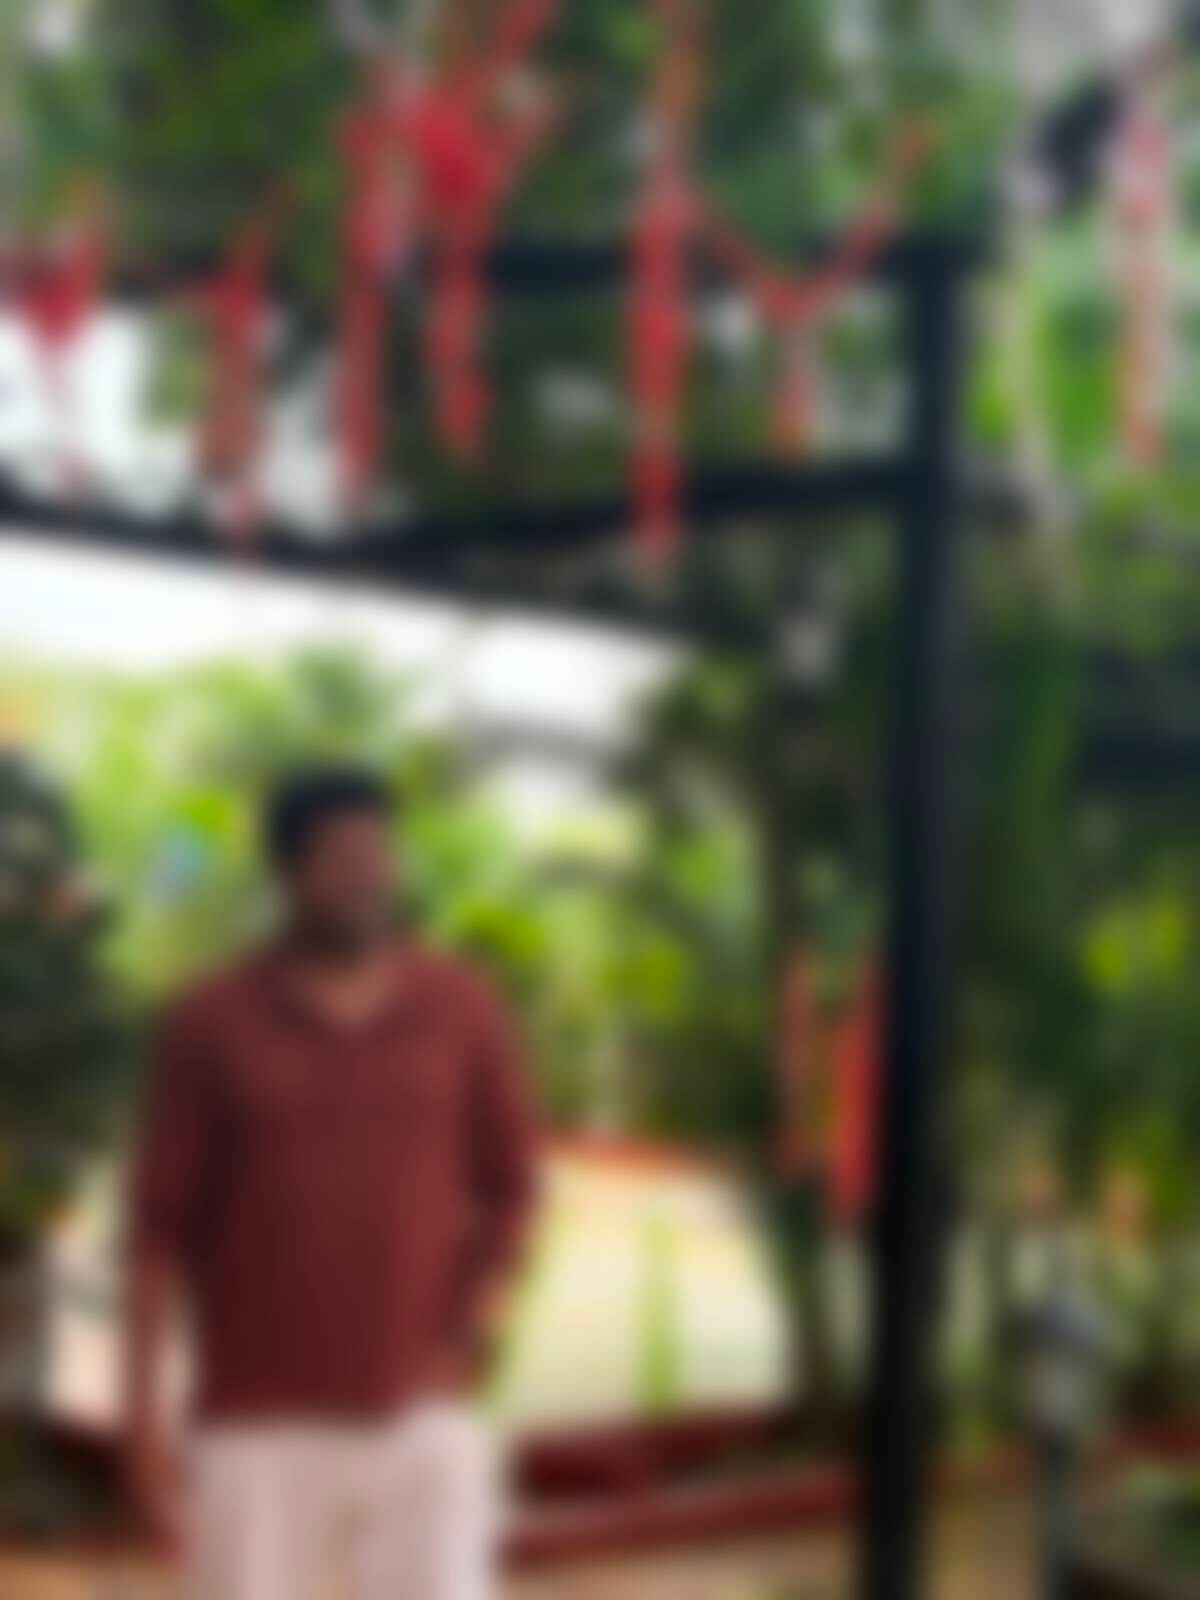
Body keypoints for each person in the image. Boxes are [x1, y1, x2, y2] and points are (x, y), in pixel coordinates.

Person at [124, 766, 538, 1600]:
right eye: (341, 858)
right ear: (286, 874)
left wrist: (477, 1331)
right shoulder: (211, 1020)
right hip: (256, 1425)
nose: (368, 877)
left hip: (423, 1416)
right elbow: (156, 1230)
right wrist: (141, 1417)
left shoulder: (460, 1005)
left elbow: (514, 1189)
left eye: (379, 854)